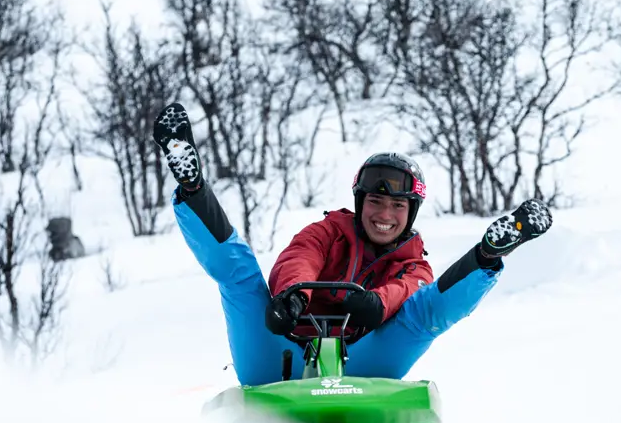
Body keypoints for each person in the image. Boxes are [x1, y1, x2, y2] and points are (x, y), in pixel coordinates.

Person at [152, 103, 553, 386]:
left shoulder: (415, 265)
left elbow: (406, 290)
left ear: (411, 212)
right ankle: (193, 189)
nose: (384, 214)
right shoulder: (328, 232)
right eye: (376, 201)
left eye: (398, 206)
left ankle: (488, 254)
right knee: (240, 278)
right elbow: (301, 257)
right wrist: (295, 296)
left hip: (362, 367)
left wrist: (376, 304)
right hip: (279, 362)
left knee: (425, 312)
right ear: (361, 202)